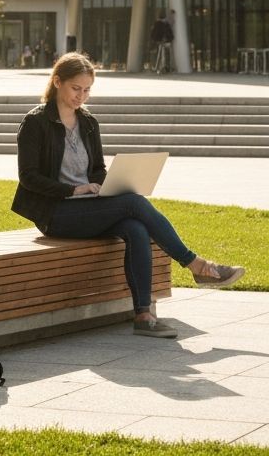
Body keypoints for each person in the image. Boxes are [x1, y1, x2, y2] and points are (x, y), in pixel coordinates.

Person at [12, 51, 245, 339]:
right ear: (57, 82)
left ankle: (144, 316)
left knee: (135, 227)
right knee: (134, 205)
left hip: (90, 208)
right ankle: (196, 265)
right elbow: (28, 177)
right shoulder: (35, 122)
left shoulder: (88, 122)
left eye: (87, 90)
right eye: (76, 88)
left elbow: (96, 170)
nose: (81, 96)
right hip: (56, 213)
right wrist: (73, 189)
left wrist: (114, 184)